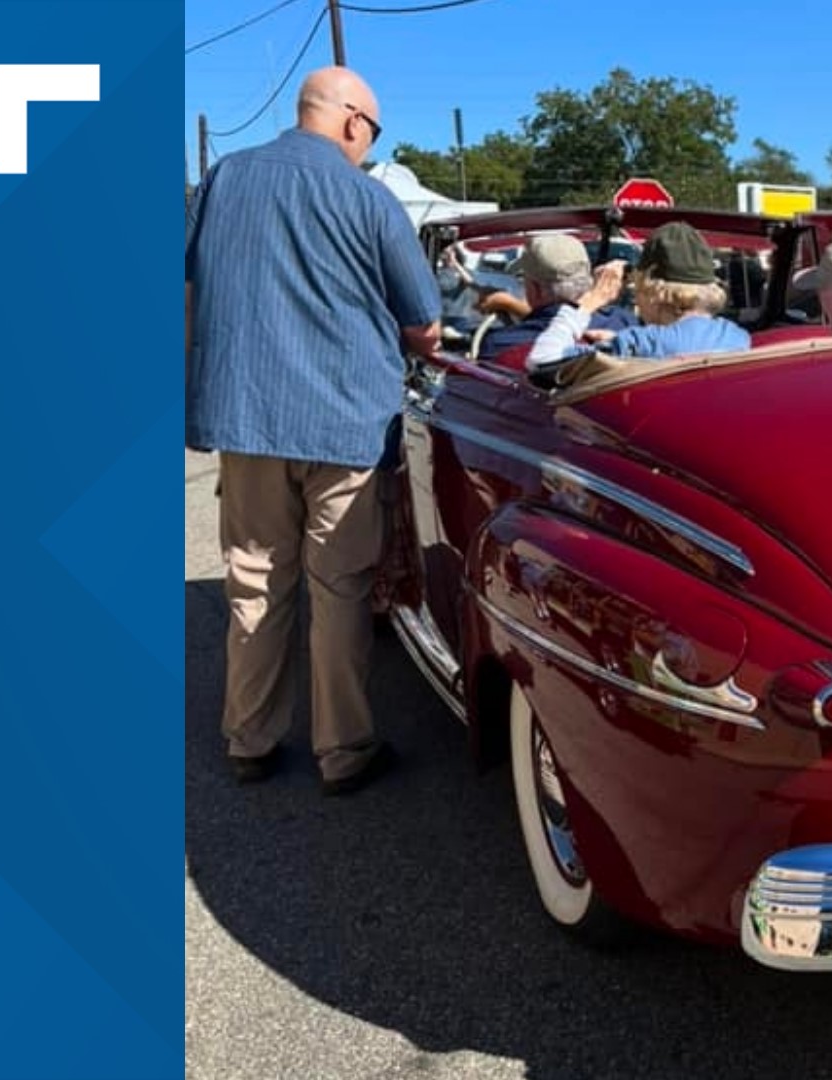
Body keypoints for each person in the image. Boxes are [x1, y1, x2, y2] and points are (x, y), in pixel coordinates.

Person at [184, 66, 441, 795]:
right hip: (345, 421)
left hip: (247, 417)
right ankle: (344, 750)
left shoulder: (223, 179)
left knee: (257, 581)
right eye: (373, 131)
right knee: (339, 587)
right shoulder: (369, 198)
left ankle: (250, 740)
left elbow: (187, 288)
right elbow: (423, 323)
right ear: (355, 122)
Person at [575, 223, 751, 358]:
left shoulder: (638, 343)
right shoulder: (737, 336)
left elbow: (549, 357)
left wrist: (591, 301)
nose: (635, 297)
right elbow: (686, 341)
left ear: (653, 290)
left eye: (637, 285)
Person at [475, 234, 628, 370]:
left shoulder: (500, 344)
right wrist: (512, 305)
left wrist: (509, 304)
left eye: (524, 281)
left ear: (535, 289)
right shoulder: (623, 323)